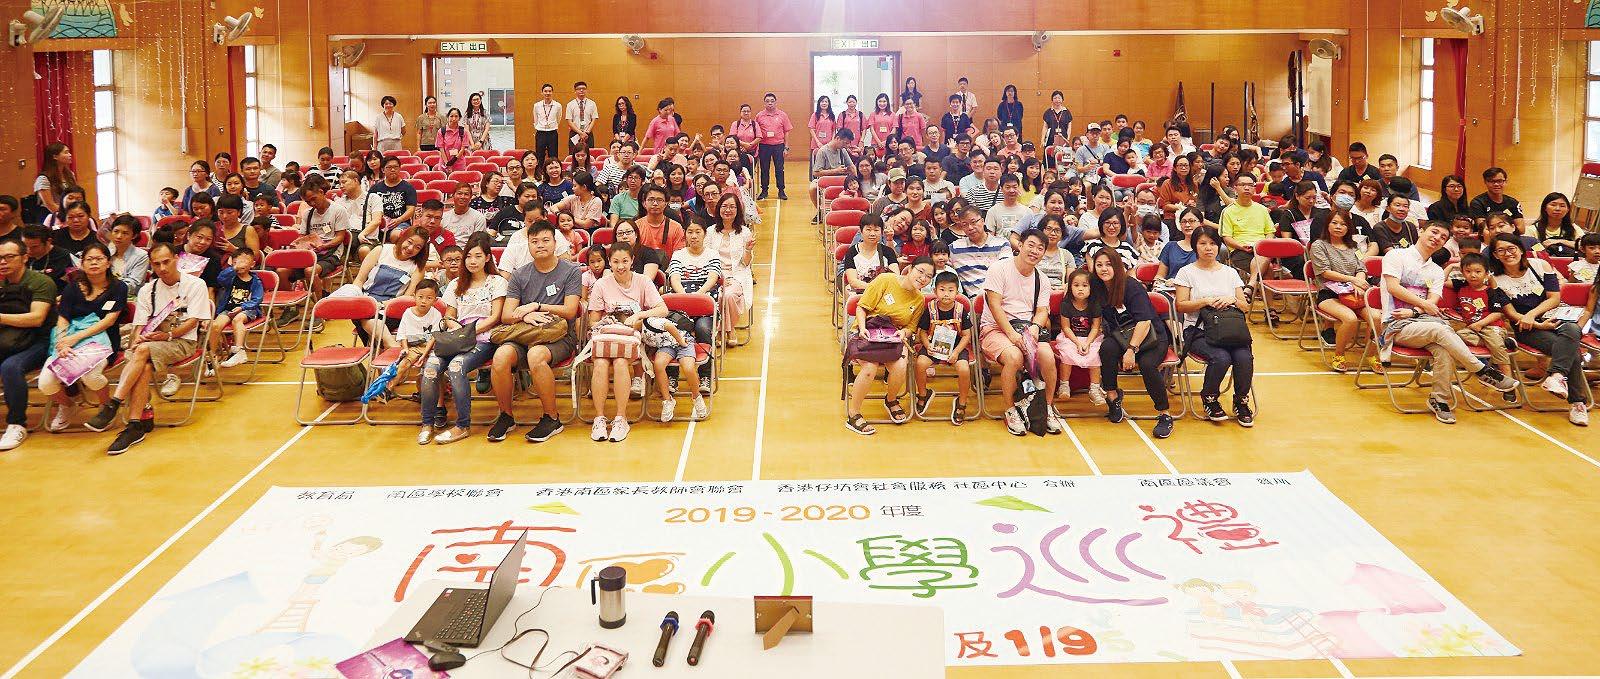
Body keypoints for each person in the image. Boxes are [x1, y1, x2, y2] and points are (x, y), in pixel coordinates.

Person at [1380, 222, 1518, 424]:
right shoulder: (1396, 256)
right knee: (1441, 329)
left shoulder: (1436, 271)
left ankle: (1439, 399)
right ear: (1421, 231)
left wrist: (1415, 310)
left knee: (1444, 348)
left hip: (1425, 322)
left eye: (1443, 237)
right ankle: (1481, 370)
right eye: (1434, 232)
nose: (1437, 238)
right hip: (1397, 325)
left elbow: (1433, 302)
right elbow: (1393, 287)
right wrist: (1422, 306)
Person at [85, 242, 214, 454]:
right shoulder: (148, 290)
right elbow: (139, 325)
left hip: (182, 342)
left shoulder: (195, 284)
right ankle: (135, 424)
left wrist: (168, 335)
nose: (162, 268)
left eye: (166, 262)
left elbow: (193, 322)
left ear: (176, 259)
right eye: (156, 264)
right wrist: (137, 339)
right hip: (152, 343)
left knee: (142, 352)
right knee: (142, 361)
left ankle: (114, 403)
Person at [480, 221, 583, 443]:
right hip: (525, 332)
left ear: (555, 243)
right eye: (534, 241)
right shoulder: (519, 275)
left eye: (545, 240)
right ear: (528, 244)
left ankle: (552, 418)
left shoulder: (571, 271)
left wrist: (536, 306)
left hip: (559, 335)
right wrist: (525, 316)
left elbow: (570, 310)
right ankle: (506, 416)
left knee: (536, 355)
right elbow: (507, 315)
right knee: (500, 356)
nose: (540, 245)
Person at [1485, 234, 1589, 425]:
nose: (1507, 253)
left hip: (1553, 317)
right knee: (1570, 348)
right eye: (1501, 250)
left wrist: (1533, 314)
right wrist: (1535, 323)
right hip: (1527, 328)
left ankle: (1556, 376)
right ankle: (1577, 402)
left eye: (1511, 248)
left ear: (1520, 250)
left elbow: (1554, 298)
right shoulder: (1495, 279)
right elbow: (1510, 313)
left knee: (1572, 329)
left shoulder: (1541, 265)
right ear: (1495, 255)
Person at [418, 235, 507, 445]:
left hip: (483, 339)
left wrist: (469, 332)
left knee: (456, 367)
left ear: (487, 258)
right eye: (468, 256)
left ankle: (462, 425)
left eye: (478, 256)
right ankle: (427, 424)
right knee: (430, 368)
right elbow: (449, 315)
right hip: (457, 337)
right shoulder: (456, 284)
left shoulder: (497, 282)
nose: (472, 261)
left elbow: (495, 317)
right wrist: (457, 329)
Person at [38, 241, 126, 433]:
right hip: (68, 339)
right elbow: (63, 318)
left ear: (108, 263)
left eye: (99, 259)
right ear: (82, 263)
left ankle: (106, 408)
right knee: (45, 383)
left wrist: (76, 338)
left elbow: (109, 320)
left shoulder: (118, 287)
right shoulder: (72, 288)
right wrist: (62, 342)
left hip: (103, 340)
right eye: (89, 259)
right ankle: (68, 405)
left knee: (91, 376)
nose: (94, 263)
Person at [980, 230, 1060, 435]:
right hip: (995, 329)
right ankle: (1010, 410)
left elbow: (1042, 311)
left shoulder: (1042, 279)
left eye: (1040, 248)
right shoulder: (999, 268)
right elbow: (994, 305)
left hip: (1026, 329)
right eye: (1031, 245)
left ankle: (1046, 407)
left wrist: (1035, 327)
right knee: (1014, 357)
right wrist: (1011, 334)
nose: (1035, 251)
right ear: (1020, 245)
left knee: (1047, 356)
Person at [1172, 227, 1254, 426]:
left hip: (1229, 330)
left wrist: (1232, 299)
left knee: (1244, 358)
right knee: (1221, 358)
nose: (1208, 248)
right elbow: (1180, 305)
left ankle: (1241, 401)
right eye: (1203, 243)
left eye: (1213, 243)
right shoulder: (1186, 272)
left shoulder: (1230, 272)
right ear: (1195, 246)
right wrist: (1205, 301)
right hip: (1198, 330)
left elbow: (1245, 306)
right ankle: (1210, 398)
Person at [844, 256, 935, 435]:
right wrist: (862, 328)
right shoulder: (886, 280)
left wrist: (904, 333)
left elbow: (911, 328)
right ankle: (853, 414)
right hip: (867, 332)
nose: (923, 278)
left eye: (928, 276)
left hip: (892, 337)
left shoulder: (919, 299)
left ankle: (891, 400)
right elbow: (862, 307)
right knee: (869, 368)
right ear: (910, 269)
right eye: (920, 271)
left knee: (900, 366)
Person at [587, 242, 668, 442]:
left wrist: (639, 315)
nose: (620, 266)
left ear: (632, 261)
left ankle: (621, 418)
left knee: (621, 362)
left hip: (631, 338)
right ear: (609, 262)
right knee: (600, 363)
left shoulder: (643, 281)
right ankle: (599, 418)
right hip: (607, 337)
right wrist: (605, 321)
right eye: (615, 262)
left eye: (625, 261)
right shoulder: (601, 285)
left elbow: (662, 309)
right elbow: (593, 321)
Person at [1091, 249, 1175, 437]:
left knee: (1147, 365)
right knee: (1106, 349)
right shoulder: (1097, 286)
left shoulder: (1131, 286)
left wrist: (1131, 350)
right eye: (1099, 265)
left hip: (1151, 336)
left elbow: (1144, 322)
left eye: (1108, 264)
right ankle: (1113, 397)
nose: (1104, 269)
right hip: (1121, 335)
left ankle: (1164, 414)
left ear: (1117, 266)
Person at [0, 239, 55, 451]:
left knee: (10, 367)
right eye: (0, 258)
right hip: (6, 339)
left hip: (38, 341)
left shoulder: (41, 282)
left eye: (9, 257)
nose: (3, 262)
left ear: (24, 258)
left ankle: (17, 425)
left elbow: (36, 318)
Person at [1309, 211, 1381, 372]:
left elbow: (1361, 268)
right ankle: (1339, 355)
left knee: (1377, 318)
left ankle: (1371, 355)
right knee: (1350, 319)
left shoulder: (1353, 246)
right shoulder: (1319, 245)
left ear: (1349, 228)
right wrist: (1353, 280)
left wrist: (1359, 283)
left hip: (1355, 292)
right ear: (1327, 225)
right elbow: (1324, 272)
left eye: (1343, 224)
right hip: (1329, 293)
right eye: (1334, 223)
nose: (1338, 227)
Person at [1447, 252, 1514, 393]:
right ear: (1462, 272)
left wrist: (1481, 324)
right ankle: (1505, 342)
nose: (1473, 275)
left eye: (1478, 272)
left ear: (1486, 273)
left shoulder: (1491, 291)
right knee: (1457, 336)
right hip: (1472, 330)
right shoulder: (1461, 286)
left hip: (1491, 327)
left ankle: (1509, 383)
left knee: (1496, 346)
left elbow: (1498, 313)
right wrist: (1452, 266)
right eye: (1468, 271)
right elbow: (1440, 281)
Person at [351, 226, 429, 348]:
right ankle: (390, 344)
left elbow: (407, 297)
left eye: (417, 247)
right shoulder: (381, 250)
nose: (410, 248)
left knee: (367, 319)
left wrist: (382, 305)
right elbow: (359, 280)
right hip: (367, 301)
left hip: (393, 307)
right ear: (403, 238)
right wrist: (356, 297)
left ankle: (380, 348)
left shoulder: (418, 267)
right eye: (409, 242)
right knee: (363, 313)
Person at [913, 271, 974, 426]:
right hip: (933, 345)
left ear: (957, 292)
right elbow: (923, 332)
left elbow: (967, 335)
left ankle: (962, 402)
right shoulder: (930, 308)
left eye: (950, 290)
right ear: (935, 291)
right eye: (942, 289)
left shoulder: (961, 310)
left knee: (964, 369)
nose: (946, 294)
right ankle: (923, 394)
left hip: (956, 347)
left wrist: (956, 352)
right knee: (920, 364)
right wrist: (927, 346)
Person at [1051, 268, 1106, 405]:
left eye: (1084, 285)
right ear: (1070, 287)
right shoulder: (1066, 304)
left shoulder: (1095, 304)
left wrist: (1087, 343)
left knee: (1095, 355)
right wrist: (1077, 342)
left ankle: (1094, 388)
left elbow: (1095, 327)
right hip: (1070, 337)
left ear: (1091, 288)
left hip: (1091, 338)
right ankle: (1064, 385)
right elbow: (1066, 328)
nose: (1080, 289)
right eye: (1076, 285)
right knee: (1067, 355)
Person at [643, 310, 708, 422]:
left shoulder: (650, 321)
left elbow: (669, 326)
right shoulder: (632, 333)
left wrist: (681, 342)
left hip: (682, 341)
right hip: (665, 346)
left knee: (688, 368)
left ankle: (697, 397)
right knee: (658, 365)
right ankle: (668, 401)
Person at [206, 248, 264, 371]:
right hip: (228, 309)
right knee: (215, 325)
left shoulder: (256, 281)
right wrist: (233, 268)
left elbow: (257, 299)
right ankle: (212, 357)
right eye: (236, 262)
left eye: (244, 261)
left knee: (237, 319)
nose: (240, 264)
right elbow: (220, 279)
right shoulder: (230, 278)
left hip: (247, 310)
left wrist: (242, 307)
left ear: (252, 264)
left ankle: (239, 351)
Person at [705, 193, 754, 338]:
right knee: (719, 295)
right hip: (715, 275)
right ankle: (729, 330)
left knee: (729, 295)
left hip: (737, 274)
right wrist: (719, 277)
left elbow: (746, 263)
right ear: (719, 209)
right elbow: (707, 258)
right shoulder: (710, 231)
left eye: (732, 207)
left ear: (738, 210)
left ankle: (724, 330)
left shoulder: (745, 232)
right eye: (724, 206)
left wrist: (748, 250)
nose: (728, 210)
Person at [1218, 174, 1274, 281]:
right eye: (1243, 185)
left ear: (1254, 189)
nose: (1247, 188)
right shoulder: (1228, 211)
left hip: (1262, 249)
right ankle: (1253, 285)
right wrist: (1241, 246)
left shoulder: (1262, 209)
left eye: (1250, 185)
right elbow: (1227, 237)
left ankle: (1251, 286)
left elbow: (1270, 232)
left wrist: (1265, 245)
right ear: (1235, 188)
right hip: (1240, 250)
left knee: (1265, 260)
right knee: (1268, 268)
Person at [754, 93, 793, 200]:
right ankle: (764, 191)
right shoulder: (759, 116)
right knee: (764, 169)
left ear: (775, 102)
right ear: (764, 103)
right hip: (764, 146)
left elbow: (786, 131)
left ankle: (781, 191)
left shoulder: (782, 115)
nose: (770, 103)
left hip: (778, 146)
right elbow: (756, 131)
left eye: (772, 101)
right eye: (767, 101)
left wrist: (786, 147)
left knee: (779, 169)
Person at [809, 129, 853, 223]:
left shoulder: (843, 151)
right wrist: (835, 171)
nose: (846, 146)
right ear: (838, 138)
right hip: (826, 180)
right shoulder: (823, 151)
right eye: (845, 143)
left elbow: (851, 166)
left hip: (841, 180)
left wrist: (856, 178)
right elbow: (816, 173)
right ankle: (820, 210)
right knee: (812, 188)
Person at [1529, 192, 1583, 258]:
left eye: (1562, 206)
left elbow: (1584, 246)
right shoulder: (1532, 229)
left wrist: (1561, 241)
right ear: (1545, 208)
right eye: (1553, 205)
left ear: (1568, 210)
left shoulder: (1573, 227)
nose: (1557, 209)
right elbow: (1528, 247)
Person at [31, 143, 76, 220]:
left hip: (71, 214)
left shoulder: (70, 174)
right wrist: (68, 216)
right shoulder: (43, 179)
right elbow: (50, 205)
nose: (70, 155)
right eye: (66, 152)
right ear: (55, 157)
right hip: (52, 216)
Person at [104, 216, 149, 294]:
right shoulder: (107, 252)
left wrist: (104, 285)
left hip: (127, 296)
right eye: (116, 231)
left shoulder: (141, 256)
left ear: (134, 236)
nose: (119, 236)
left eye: (125, 233)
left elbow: (133, 285)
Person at [22, 224, 72, 291]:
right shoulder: (20, 254)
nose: (28, 251)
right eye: (25, 246)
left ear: (48, 241)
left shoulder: (63, 257)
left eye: (34, 247)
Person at [566, 81, 599, 156]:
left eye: (583, 88)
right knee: (573, 155)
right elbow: (569, 121)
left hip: (588, 133)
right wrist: (580, 133)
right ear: (575, 91)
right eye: (579, 89)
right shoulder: (570, 104)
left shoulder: (592, 103)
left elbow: (594, 119)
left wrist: (586, 132)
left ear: (586, 90)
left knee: (589, 155)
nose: (581, 90)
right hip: (575, 133)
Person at [533, 83, 562, 166]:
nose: (547, 93)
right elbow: (535, 119)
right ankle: (539, 172)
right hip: (540, 133)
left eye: (549, 91)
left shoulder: (558, 105)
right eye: (545, 91)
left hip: (552, 133)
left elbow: (558, 118)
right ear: (542, 93)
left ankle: (552, 170)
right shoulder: (537, 105)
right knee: (539, 155)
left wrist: (552, 126)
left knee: (553, 155)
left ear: (552, 92)